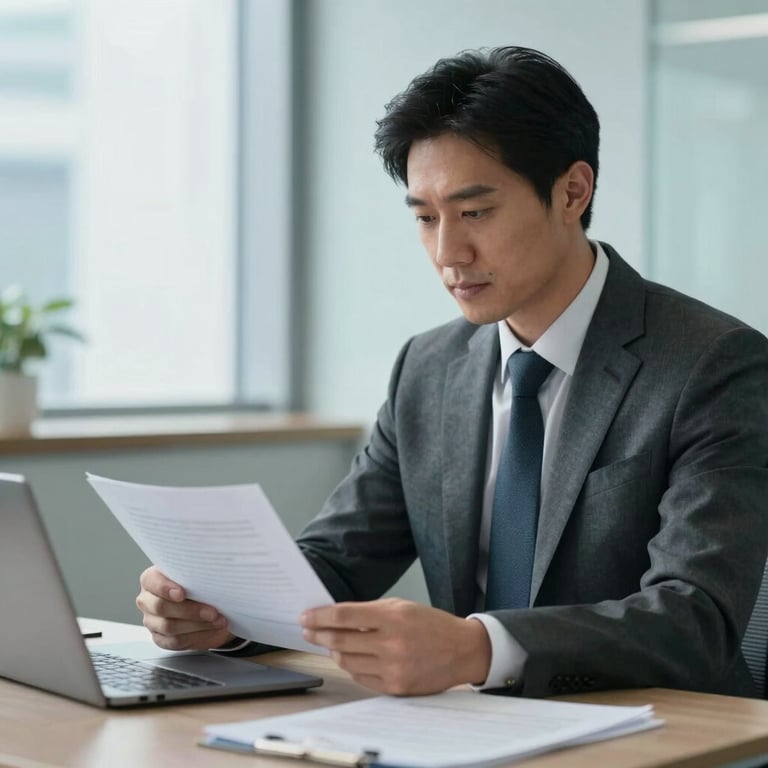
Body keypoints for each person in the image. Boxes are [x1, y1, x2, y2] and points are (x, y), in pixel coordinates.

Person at [137, 46, 768, 698]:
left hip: (665, 735)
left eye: (475, 213)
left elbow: (696, 620)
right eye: (424, 217)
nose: (448, 253)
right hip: (470, 732)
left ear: (572, 192)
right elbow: (338, 562)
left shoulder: (713, 365)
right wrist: (220, 615)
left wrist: (480, 649)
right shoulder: (428, 367)